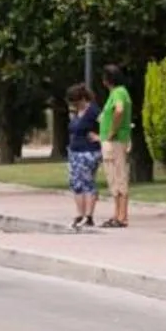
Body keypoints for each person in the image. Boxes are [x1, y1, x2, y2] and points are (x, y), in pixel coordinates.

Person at [95, 65, 133, 228]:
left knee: (118, 176)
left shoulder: (118, 93)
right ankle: (117, 213)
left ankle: (122, 216)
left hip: (115, 141)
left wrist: (111, 132)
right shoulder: (118, 93)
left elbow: (119, 110)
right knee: (113, 177)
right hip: (112, 141)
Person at [63, 84, 101, 229]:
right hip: (75, 151)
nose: (75, 105)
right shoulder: (76, 112)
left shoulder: (93, 111)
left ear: (83, 98)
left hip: (88, 151)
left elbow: (107, 124)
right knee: (76, 183)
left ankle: (89, 216)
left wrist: (100, 137)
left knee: (87, 182)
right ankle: (80, 213)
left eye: (76, 102)